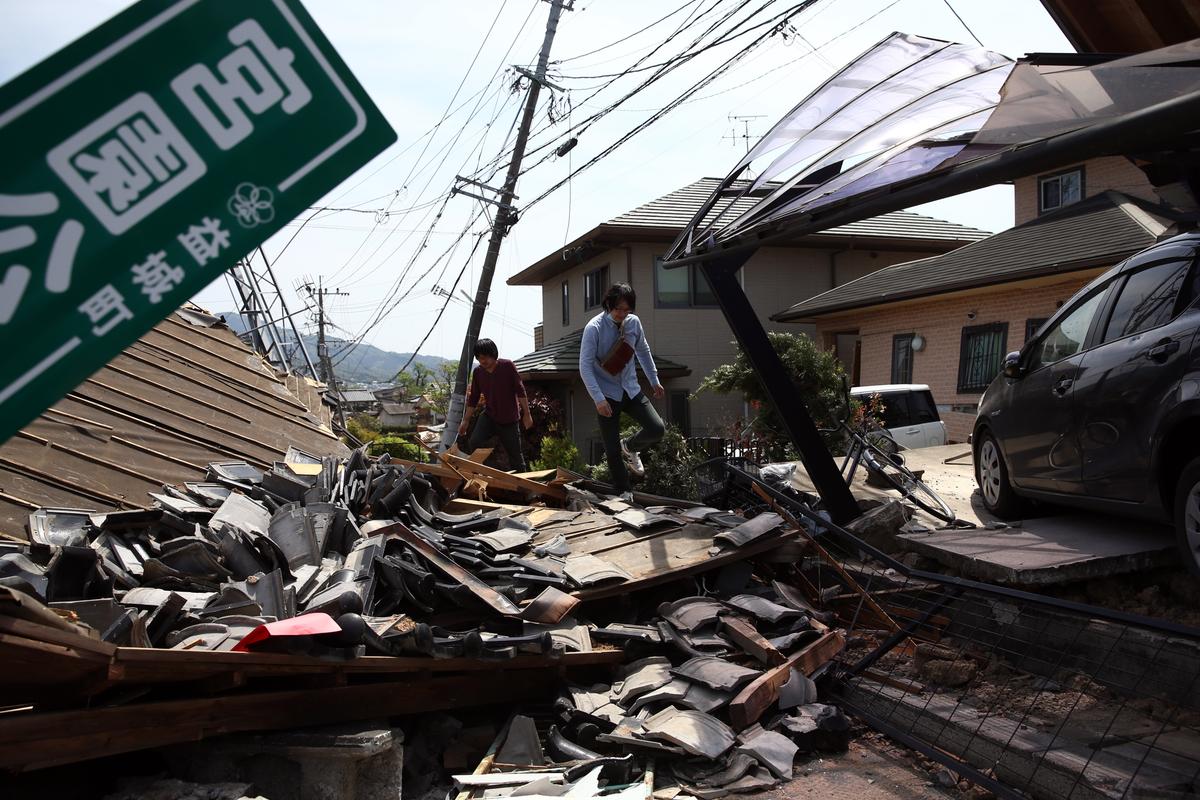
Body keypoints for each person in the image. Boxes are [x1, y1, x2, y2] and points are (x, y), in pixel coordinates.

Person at [579, 283, 666, 497]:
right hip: (607, 394)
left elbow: (643, 351)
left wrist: (654, 379)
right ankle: (624, 492)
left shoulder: (633, 323)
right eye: (618, 309)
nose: (622, 314)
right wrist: (598, 399)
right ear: (608, 305)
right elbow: (584, 366)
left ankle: (630, 446)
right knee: (611, 449)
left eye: (627, 310)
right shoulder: (594, 328)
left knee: (657, 428)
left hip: (631, 389)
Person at [459, 338, 533, 472]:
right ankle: (488, 473)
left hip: (509, 419)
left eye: (486, 357)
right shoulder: (478, 372)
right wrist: (466, 420)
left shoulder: (507, 366)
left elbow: (520, 390)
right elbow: (474, 397)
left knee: (515, 456)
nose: (483, 361)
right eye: (479, 358)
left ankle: (525, 489)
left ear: (493, 354)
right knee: (474, 442)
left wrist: (527, 414)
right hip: (489, 416)